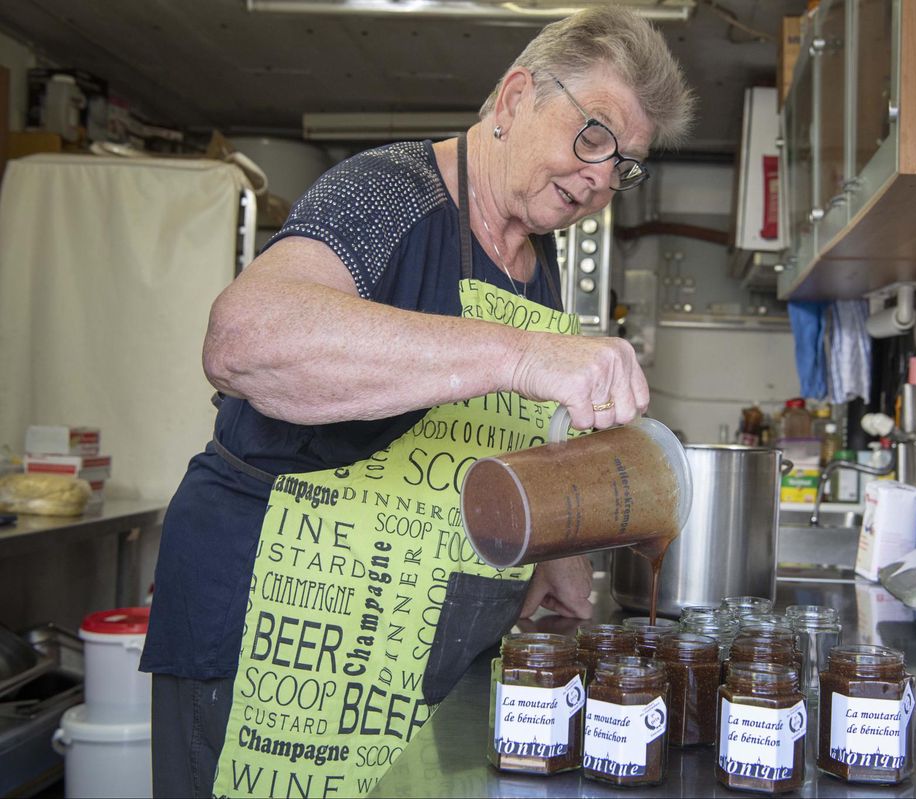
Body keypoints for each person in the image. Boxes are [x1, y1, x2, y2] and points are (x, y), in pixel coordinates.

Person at [140, 6, 694, 797]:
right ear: (512, 102)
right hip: (275, 643)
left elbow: (509, 424)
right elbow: (242, 341)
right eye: (594, 135)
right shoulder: (389, 193)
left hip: (418, 657)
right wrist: (523, 351)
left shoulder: (540, 264)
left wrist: (558, 550)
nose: (605, 175)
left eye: (627, 163)